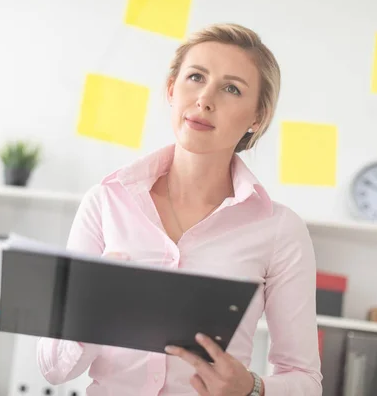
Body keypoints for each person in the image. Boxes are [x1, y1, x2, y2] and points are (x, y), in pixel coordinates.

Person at [36, 23, 322, 396]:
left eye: (231, 88)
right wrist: (93, 303)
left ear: (257, 118)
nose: (204, 99)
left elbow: (304, 378)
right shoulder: (106, 202)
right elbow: (54, 370)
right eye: (195, 77)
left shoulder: (280, 229)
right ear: (171, 90)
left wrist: (251, 388)